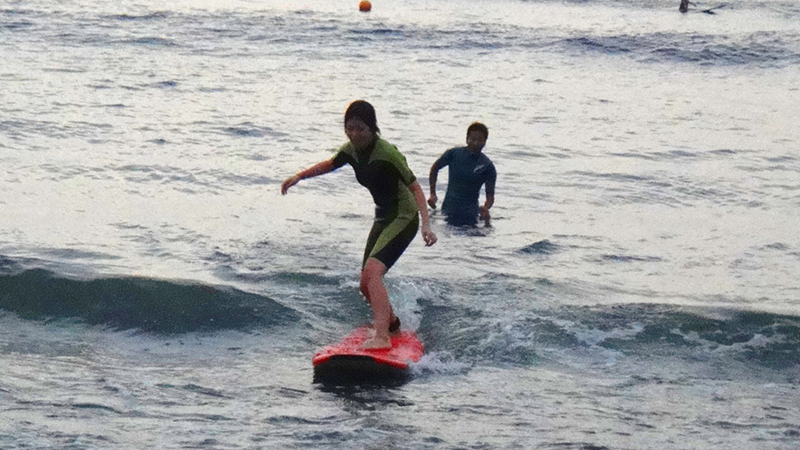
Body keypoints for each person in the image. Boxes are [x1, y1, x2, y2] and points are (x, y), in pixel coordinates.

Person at [281, 100, 436, 349]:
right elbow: (330, 164)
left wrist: (426, 226)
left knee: (373, 274)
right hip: (383, 217)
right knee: (365, 283)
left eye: (360, 129)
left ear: (372, 128)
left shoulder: (388, 153)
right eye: (349, 128)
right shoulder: (351, 150)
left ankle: (383, 337)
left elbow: (415, 187)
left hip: (403, 217)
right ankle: (393, 324)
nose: (354, 134)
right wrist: (299, 176)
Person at [427, 122, 496, 227]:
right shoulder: (454, 154)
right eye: (472, 139)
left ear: (485, 142)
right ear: (467, 139)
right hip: (448, 209)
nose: (475, 143)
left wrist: (485, 208)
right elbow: (435, 168)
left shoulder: (487, 166)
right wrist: (433, 193)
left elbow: (490, 197)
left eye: (480, 140)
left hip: (471, 213)